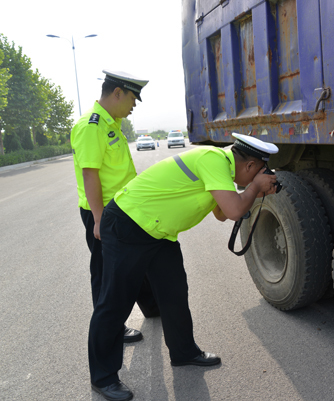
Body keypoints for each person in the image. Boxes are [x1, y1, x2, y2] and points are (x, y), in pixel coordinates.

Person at [88, 133, 279, 401]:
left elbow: (223, 212)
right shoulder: (212, 159)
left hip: (159, 233)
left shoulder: (220, 169)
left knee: (174, 293)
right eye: (260, 172)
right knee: (115, 302)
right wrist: (254, 188)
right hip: (128, 225)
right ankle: (103, 377)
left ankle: (184, 352)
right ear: (249, 166)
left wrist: (254, 191)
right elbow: (235, 211)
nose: (259, 177)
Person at [71, 70, 160, 345]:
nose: (134, 105)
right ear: (117, 93)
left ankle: (152, 307)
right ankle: (111, 329)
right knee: (105, 272)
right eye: (133, 98)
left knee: (138, 259)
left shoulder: (112, 123)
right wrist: (98, 221)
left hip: (123, 208)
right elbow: (90, 174)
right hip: (104, 213)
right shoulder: (91, 126)